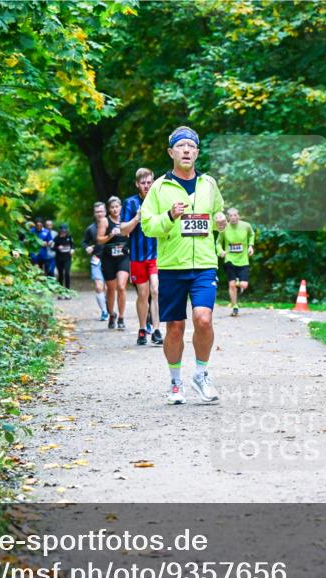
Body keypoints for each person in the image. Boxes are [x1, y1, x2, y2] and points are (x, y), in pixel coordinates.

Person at [140, 126, 226, 405]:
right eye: (181, 146)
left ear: (197, 152)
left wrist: (221, 222)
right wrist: (169, 215)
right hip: (172, 265)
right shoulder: (160, 187)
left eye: (191, 146)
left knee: (203, 319)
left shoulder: (209, 184)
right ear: (171, 152)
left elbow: (217, 213)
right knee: (174, 326)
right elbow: (147, 225)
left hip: (204, 264)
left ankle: (201, 374)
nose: (186, 150)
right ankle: (175, 383)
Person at [124, 168, 163, 346]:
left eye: (149, 182)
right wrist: (136, 219)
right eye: (143, 183)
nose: (146, 186)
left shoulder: (160, 201)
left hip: (157, 255)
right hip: (137, 257)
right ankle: (142, 329)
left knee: (156, 290)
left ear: (153, 182)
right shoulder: (130, 203)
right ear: (137, 184)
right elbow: (123, 230)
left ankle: (156, 330)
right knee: (143, 294)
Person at [97, 196, 130, 330]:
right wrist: (110, 235)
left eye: (117, 207)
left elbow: (133, 234)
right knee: (111, 289)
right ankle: (112, 314)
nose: (115, 209)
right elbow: (99, 240)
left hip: (123, 257)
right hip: (108, 258)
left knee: (121, 287)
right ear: (109, 209)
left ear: (120, 207)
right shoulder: (105, 221)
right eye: (112, 207)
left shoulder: (126, 219)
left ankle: (121, 317)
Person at [216, 207, 255, 317]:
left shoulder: (246, 226)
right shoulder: (224, 228)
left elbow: (252, 234)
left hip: (243, 260)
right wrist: (220, 251)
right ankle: (235, 306)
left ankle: (239, 282)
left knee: (244, 284)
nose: (233, 217)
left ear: (239, 216)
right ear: (228, 217)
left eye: (235, 215)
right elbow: (218, 242)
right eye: (231, 216)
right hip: (230, 259)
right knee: (231, 285)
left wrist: (251, 246)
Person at [82, 203, 108, 321]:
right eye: (97, 211)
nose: (99, 214)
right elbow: (84, 242)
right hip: (96, 260)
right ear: (94, 213)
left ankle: (109, 306)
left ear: (105, 212)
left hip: (110, 260)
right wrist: (87, 247)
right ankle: (104, 312)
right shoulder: (90, 229)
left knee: (108, 288)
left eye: (101, 211)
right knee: (98, 286)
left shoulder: (111, 226)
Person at [53, 225, 74, 295]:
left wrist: (72, 250)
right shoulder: (56, 238)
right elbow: (52, 247)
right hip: (59, 259)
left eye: (65, 231)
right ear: (60, 231)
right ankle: (60, 292)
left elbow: (73, 245)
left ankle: (67, 291)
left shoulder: (69, 237)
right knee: (60, 275)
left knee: (67, 273)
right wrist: (58, 247)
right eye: (62, 231)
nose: (63, 233)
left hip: (67, 258)